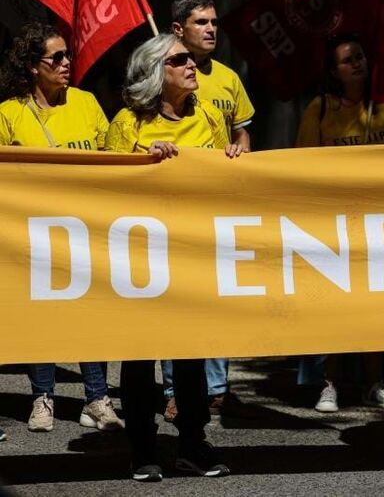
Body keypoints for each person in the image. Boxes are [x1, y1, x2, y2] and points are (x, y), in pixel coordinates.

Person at [106, 33, 238, 482]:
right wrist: (146, 165)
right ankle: (142, 448)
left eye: (191, 60)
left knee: (190, 357)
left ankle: (192, 443)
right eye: (180, 60)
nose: (192, 65)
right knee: (140, 356)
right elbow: (100, 193)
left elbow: (223, 179)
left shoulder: (206, 117)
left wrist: (233, 159)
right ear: (155, 75)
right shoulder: (127, 123)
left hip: (191, 254)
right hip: (141, 259)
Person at [0, 22, 122, 434]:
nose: (67, 63)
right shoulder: (8, 113)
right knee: (43, 316)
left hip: (85, 230)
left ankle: (97, 398)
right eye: (57, 57)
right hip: (32, 235)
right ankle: (43, 396)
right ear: (33, 66)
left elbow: (112, 157)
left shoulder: (86, 103)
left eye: (68, 55)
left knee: (90, 314)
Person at [294, 33, 384, 412]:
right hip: (332, 225)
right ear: (332, 71)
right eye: (346, 60)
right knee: (334, 308)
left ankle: (376, 382)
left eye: (359, 56)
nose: (356, 63)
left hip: (378, 225)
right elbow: (303, 165)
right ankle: (329, 384)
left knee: (375, 307)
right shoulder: (320, 110)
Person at [162, 0, 256, 419]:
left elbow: (242, 134)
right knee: (176, 296)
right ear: (178, 30)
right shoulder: (158, 73)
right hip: (170, 209)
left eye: (215, 22)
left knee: (216, 294)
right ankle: (174, 389)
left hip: (216, 205)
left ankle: (216, 386)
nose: (212, 29)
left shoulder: (229, 78)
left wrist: (240, 155)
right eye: (201, 22)